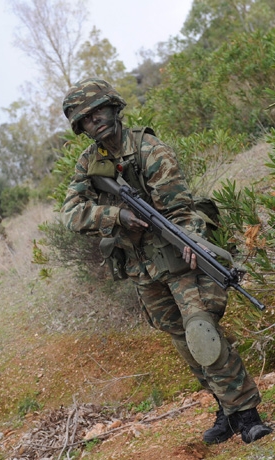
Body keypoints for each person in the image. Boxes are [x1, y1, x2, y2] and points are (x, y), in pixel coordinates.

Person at [60, 77, 272, 445]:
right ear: (81, 127)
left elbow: (180, 211)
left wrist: (192, 242)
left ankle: (248, 414)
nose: (96, 120)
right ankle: (225, 410)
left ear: (114, 107)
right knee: (182, 342)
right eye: (86, 118)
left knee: (202, 332)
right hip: (141, 267)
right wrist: (115, 218)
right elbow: (70, 214)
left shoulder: (149, 149)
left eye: (100, 111)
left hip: (175, 258)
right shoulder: (89, 164)